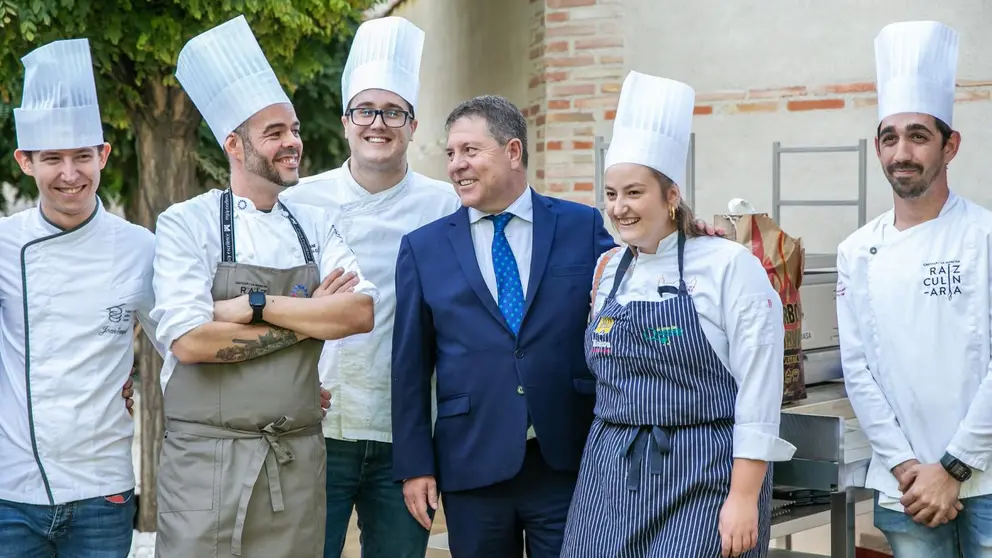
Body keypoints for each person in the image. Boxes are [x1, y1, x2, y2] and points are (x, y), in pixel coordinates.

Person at [151, 15, 378, 557]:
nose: (292, 143)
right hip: (203, 466)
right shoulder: (189, 223)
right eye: (274, 133)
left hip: (294, 463)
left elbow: (359, 312)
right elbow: (190, 342)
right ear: (234, 144)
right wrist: (306, 320)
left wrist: (252, 306)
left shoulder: (316, 226)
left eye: (294, 129)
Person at [559, 70, 796, 558]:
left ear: (672, 197)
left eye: (634, 192)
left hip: (704, 471)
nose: (619, 208)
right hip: (609, 474)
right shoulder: (607, 270)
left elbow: (759, 390)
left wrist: (743, 497)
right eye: (610, 193)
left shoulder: (729, 265)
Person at [390, 94, 616, 557]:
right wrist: (415, 465)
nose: (456, 165)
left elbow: (638, 279)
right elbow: (409, 366)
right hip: (472, 466)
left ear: (513, 152)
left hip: (568, 460)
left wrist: (694, 239)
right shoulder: (423, 248)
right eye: (451, 153)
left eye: (470, 151)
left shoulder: (582, 226)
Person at [279, 16, 461, 558]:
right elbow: (258, 304)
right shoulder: (298, 202)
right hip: (316, 429)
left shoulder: (446, 207)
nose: (377, 123)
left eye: (392, 112)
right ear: (344, 122)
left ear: (412, 124)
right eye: (365, 110)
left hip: (406, 437)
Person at [0, 38, 164, 556]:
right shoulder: (4, 245)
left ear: (104, 155)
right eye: (52, 159)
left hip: (103, 489)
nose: (69, 175)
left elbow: (183, 345)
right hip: (11, 491)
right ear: (25, 160)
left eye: (82, 157)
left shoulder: (140, 248)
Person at [838, 21, 992, 557]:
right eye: (889, 137)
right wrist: (908, 467)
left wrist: (953, 467)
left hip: (989, 478)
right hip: (903, 485)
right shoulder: (856, 250)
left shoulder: (986, 235)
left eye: (918, 136)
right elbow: (859, 369)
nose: (901, 152)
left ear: (950, 146)